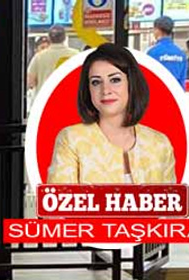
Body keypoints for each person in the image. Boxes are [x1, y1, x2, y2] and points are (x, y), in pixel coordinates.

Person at [47, 43, 176, 185]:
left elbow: (170, 204)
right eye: (96, 82)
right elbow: (60, 203)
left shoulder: (159, 143)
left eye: (115, 80)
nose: (105, 90)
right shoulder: (71, 139)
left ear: (131, 83)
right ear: (88, 89)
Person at [27, 26, 78, 95]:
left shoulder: (39, 57)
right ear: (65, 38)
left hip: (46, 101)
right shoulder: (75, 55)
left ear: (49, 38)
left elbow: (30, 82)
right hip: (69, 100)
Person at [148, 16, 188, 86]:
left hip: (157, 94)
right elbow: (182, 80)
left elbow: (147, 79)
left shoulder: (152, 53)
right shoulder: (181, 54)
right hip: (175, 95)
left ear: (158, 30)